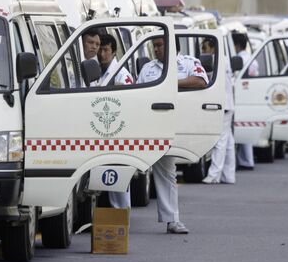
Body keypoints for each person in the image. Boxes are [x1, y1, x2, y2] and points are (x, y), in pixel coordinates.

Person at [137, 36, 208, 234]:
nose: (157, 49)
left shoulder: (188, 63)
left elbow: (201, 81)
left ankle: (172, 219)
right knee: (128, 170)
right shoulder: (148, 69)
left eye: (160, 45)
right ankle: (117, 216)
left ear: (171, 45)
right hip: (148, 126)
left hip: (172, 126)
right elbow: (136, 91)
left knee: (167, 172)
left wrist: (171, 83)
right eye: (155, 46)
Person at [97, 34, 134, 208]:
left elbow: (130, 98)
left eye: (105, 50)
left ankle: (122, 213)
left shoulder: (121, 74)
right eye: (100, 49)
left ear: (113, 52)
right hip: (100, 130)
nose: (102, 54)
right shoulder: (97, 71)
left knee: (117, 175)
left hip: (117, 131)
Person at [202, 39, 236, 184]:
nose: (203, 51)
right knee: (228, 141)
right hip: (228, 103)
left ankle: (214, 174)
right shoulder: (225, 59)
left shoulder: (215, 61)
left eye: (205, 48)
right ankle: (228, 175)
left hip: (223, 105)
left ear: (213, 48)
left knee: (220, 141)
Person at [233, 35, 256, 170]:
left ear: (236, 45)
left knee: (239, 130)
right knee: (245, 128)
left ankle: (246, 161)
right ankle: (246, 160)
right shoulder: (252, 59)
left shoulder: (240, 59)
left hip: (239, 97)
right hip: (249, 97)